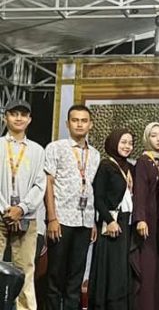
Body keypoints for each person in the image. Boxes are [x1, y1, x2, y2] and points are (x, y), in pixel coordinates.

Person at [44, 104, 100, 310]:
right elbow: (48, 183)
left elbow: (91, 188)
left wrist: (93, 221)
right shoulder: (55, 147)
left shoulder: (95, 154)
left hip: (85, 222)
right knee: (55, 276)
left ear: (90, 124)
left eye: (84, 120)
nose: (79, 124)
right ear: (67, 124)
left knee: (76, 277)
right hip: (61, 220)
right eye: (75, 120)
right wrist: (52, 218)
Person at [1, 99, 46, 310]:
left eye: (23, 114)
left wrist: (22, 208)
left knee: (26, 269)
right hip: (1, 214)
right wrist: (6, 209)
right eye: (13, 114)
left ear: (29, 120)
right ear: (5, 118)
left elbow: (40, 184)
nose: (18, 118)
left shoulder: (37, 150)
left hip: (26, 217)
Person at [88, 129, 135, 310]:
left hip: (126, 223)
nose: (127, 146)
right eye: (123, 142)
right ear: (114, 143)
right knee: (110, 269)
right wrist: (109, 221)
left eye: (130, 143)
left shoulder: (130, 167)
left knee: (122, 270)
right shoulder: (106, 166)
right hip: (111, 224)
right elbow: (98, 198)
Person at [132, 122, 159, 310]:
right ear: (147, 139)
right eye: (154, 135)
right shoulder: (144, 161)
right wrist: (141, 219)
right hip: (149, 221)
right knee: (149, 268)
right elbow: (140, 192)